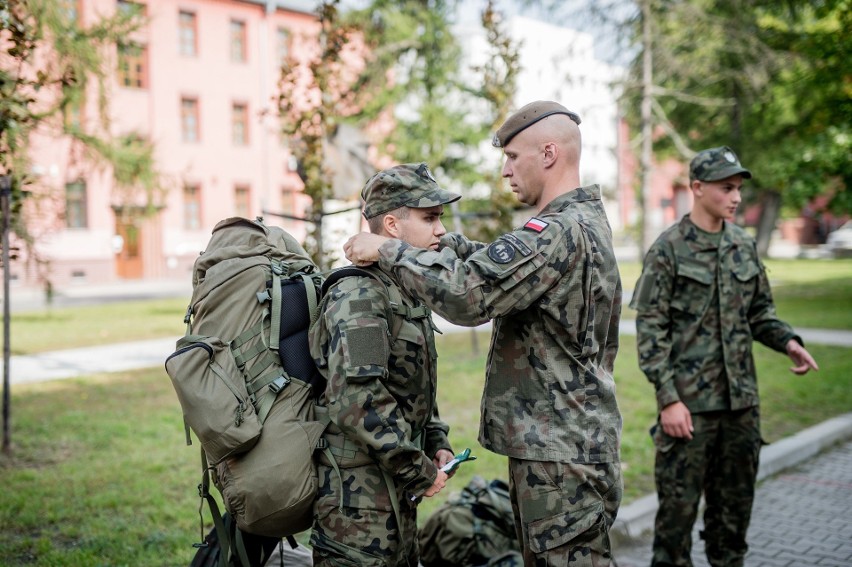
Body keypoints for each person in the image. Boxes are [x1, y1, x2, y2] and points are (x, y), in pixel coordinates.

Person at [344, 100, 623, 566]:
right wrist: (444, 241)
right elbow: (501, 268)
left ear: (549, 153)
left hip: (561, 456)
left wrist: (390, 249)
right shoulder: (579, 223)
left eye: (513, 156)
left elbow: (469, 295)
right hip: (570, 446)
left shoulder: (554, 231)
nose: (505, 171)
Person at [629, 146, 819, 567]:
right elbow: (651, 331)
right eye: (726, 188)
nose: (736, 197)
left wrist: (787, 340)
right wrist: (668, 398)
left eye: (738, 189)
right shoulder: (668, 250)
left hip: (741, 411)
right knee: (673, 538)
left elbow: (759, 313)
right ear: (697, 188)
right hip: (689, 412)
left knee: (731, 534)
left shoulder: (742, 245)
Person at [308, 163, 458, 566]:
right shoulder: (360, 294)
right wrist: (416, 467)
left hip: (392, 493)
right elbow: (356, 397)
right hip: (357, 510)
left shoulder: (400, 287)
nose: (440, 230)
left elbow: (411, 382)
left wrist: (435, 441)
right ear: (392, 224)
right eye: (430, 218)